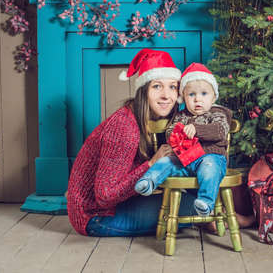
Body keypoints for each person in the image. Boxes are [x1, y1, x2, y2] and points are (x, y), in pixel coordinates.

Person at [67, 48, 198, 236]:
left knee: (191, 200)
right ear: (143, 91)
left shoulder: (160, 119)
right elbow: (105, 196)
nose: (166, 96)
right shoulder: (124, 127)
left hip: (117, 205)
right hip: (95, 215)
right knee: (199, 207)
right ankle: (212, 221)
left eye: (172, 87)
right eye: (157, 86)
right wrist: (152, 163)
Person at [134, 63, 232, 216]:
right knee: (166, 162)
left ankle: (206, 202)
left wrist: (196, 129)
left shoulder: (218, 113)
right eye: (191, 95)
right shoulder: (181, 116)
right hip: (185, 160)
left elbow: (220, 131)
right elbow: (170, 131)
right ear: (184, 97)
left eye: (204, 94)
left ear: (214, 97)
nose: (197, 99)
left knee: (209, 168)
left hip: (210, 157)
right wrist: (176, 133)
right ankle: (149, 181)